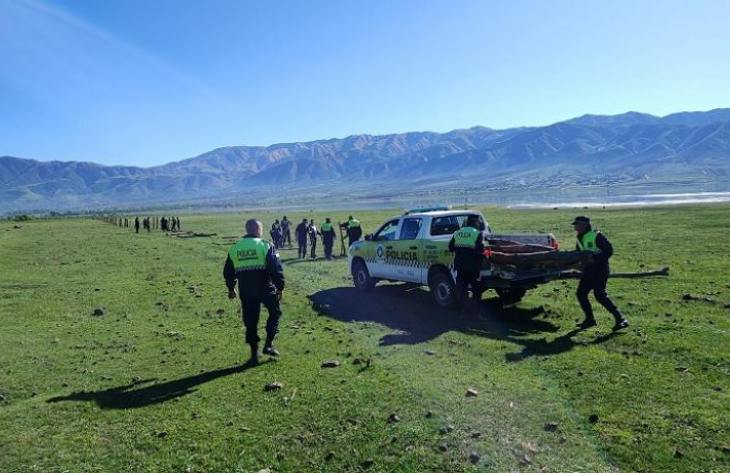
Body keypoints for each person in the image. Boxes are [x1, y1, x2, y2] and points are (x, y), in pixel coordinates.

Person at [223, 219, 285, 365]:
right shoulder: (265, 245)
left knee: (250, 321)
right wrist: (280, 287)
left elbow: (228, 272)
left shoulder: (235, 248)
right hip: (265, 287)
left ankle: (253, 355)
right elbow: (275, 268)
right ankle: (268, 345)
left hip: (246, 289)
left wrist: (231, 288)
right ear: (258, 230)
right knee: (275, 312)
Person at [572, 216, 629, 331]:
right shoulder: (579, 238)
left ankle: (621, 319)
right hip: (588, 271)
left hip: (600, 270)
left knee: (600, 295)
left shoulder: (596, 235)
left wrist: (594, 259)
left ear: (584, 225)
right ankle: (590, 320)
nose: (575, 227)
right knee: (581, 293)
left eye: (577, 225)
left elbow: (609, 251)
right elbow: (579, 254)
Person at [448, 215, 485, 312]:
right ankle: (475, 311)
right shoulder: (476, 233)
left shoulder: (458, 233)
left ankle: (463, 311)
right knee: (476, 289)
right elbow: (480, 251)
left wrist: (461, 249)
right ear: (475, 223)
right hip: (472, 267)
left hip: (460, 266)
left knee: (462, 289)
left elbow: (451, 248)